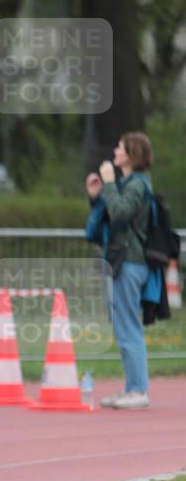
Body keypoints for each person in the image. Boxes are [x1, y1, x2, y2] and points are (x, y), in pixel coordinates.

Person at [85, 132, 153, 409]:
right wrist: (96, 196)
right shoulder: (127, 182)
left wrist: (110, 185)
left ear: (132, 154)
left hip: (131, 261)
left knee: (128, 326)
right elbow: (110, 214)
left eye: (120, 148)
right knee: (122, 324)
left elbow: (122, 213)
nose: (115, 151)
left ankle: (138, 390)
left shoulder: (138, 184)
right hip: (119, 260)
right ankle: (131, 388)